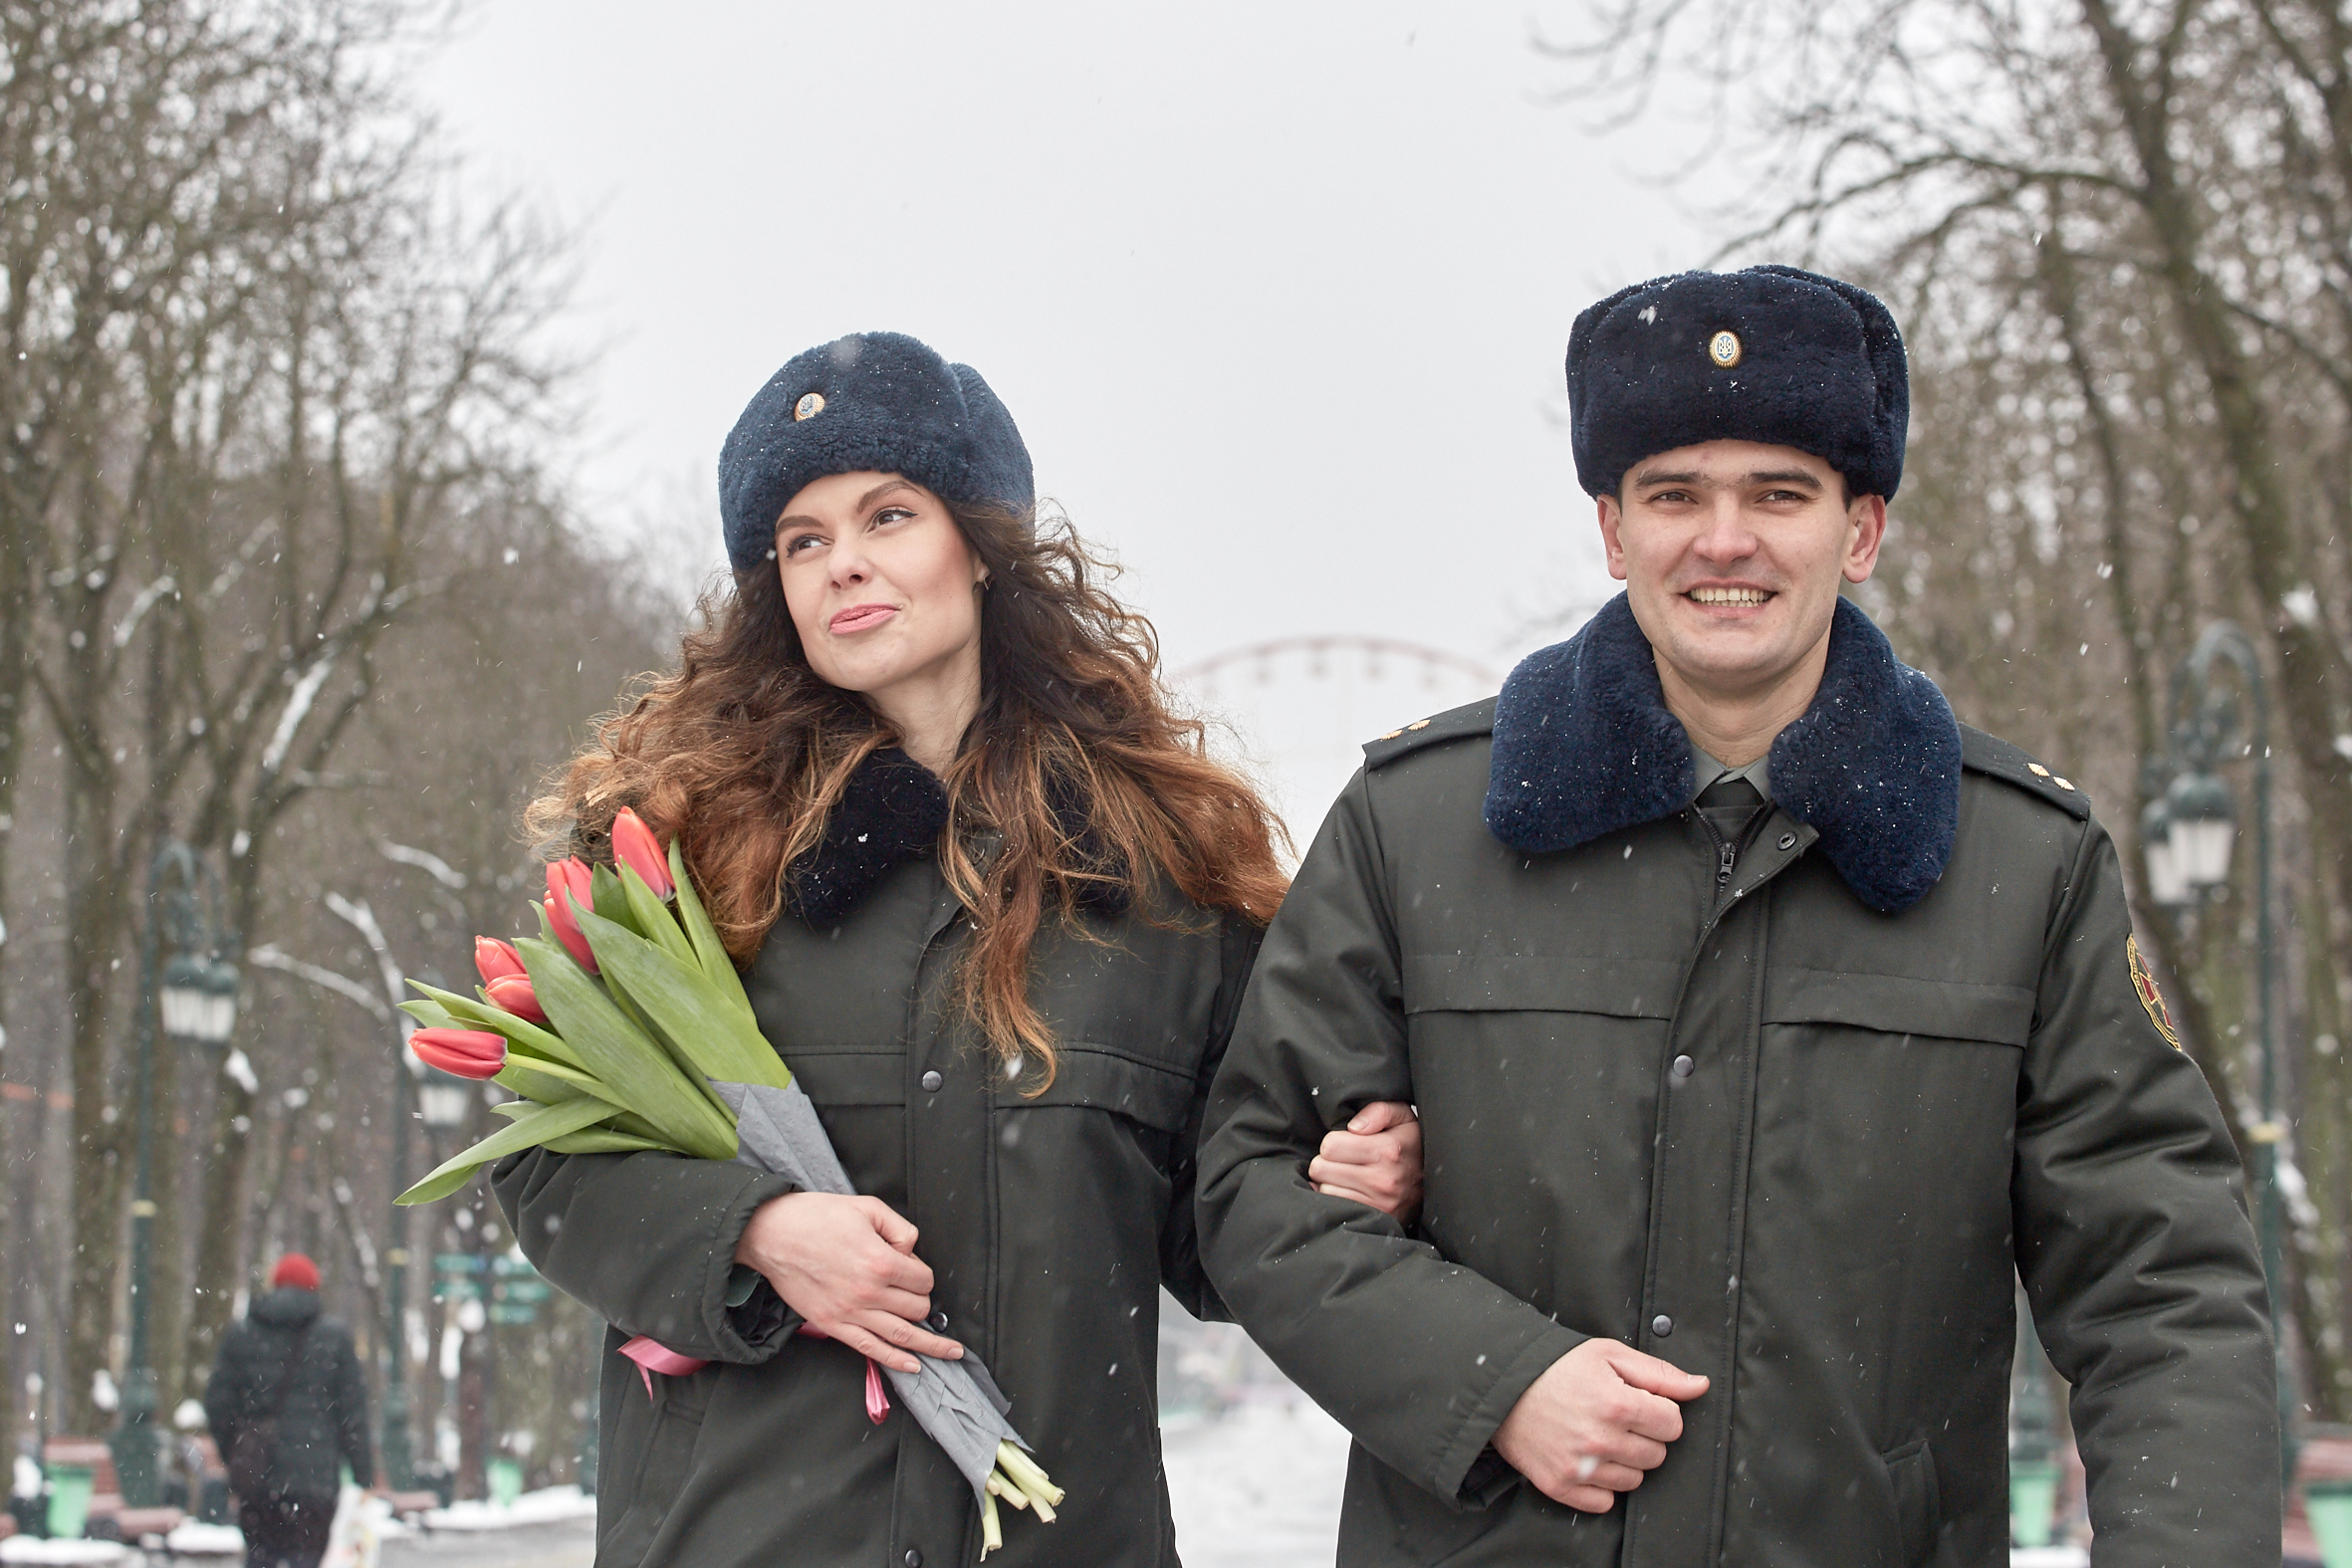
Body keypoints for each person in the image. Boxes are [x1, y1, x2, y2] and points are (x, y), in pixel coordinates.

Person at [1198, 265, 2281, 1564]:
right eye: (1674, 495)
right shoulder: (1413, 824)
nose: (1724, 541)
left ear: (1859, 530)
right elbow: (1253, 1183)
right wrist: (1494, 1381)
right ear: (1613, 532)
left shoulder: (2022, 863)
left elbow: (2162, 1285)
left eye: (1778, 493)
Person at [495, 331, 1423, 1567]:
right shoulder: (684, 853)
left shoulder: (1161, 880)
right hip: (748, 1536)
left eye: (888, 515)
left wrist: (1337, 1186)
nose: (843, 563)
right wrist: (753, 1234)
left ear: (980, 545)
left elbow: (1219, 1222)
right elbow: (548, 1163)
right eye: (802, 541)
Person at [202, 1253, 373, 1568]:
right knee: (306, 1558)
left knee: (260, 1557)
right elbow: (353, 1413)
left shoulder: (243, 1333)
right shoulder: (334, 1338)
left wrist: (236, 1451)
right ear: (314, 1288)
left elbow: (218, 1402)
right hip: (315, 1481)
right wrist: (364, 1474)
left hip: (258, 1478)